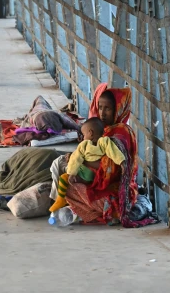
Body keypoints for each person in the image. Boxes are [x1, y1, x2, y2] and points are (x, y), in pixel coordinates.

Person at [63, 84, 159, 227]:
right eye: (100, 107)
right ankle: (97, 212)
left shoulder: (122, 133)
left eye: (107, 108)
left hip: (116, 191)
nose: (102, 113)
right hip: (101, 186)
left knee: (70, 190)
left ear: (118, 109)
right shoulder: (102, 130)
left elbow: (110, 169)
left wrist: (82, 162)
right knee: (67, 176)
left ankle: (108, 212)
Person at [49, 116, 125, 212]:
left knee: (64, 177)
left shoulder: (84, 145)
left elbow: (76, 158)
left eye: (84, 135)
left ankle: (60, 200)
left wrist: (71, 173)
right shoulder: (104, 141)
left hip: (86, 172)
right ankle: (60, 198)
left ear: (90, 133)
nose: (83, 138)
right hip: (94, 176)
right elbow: (113, 151)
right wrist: (121, 162)